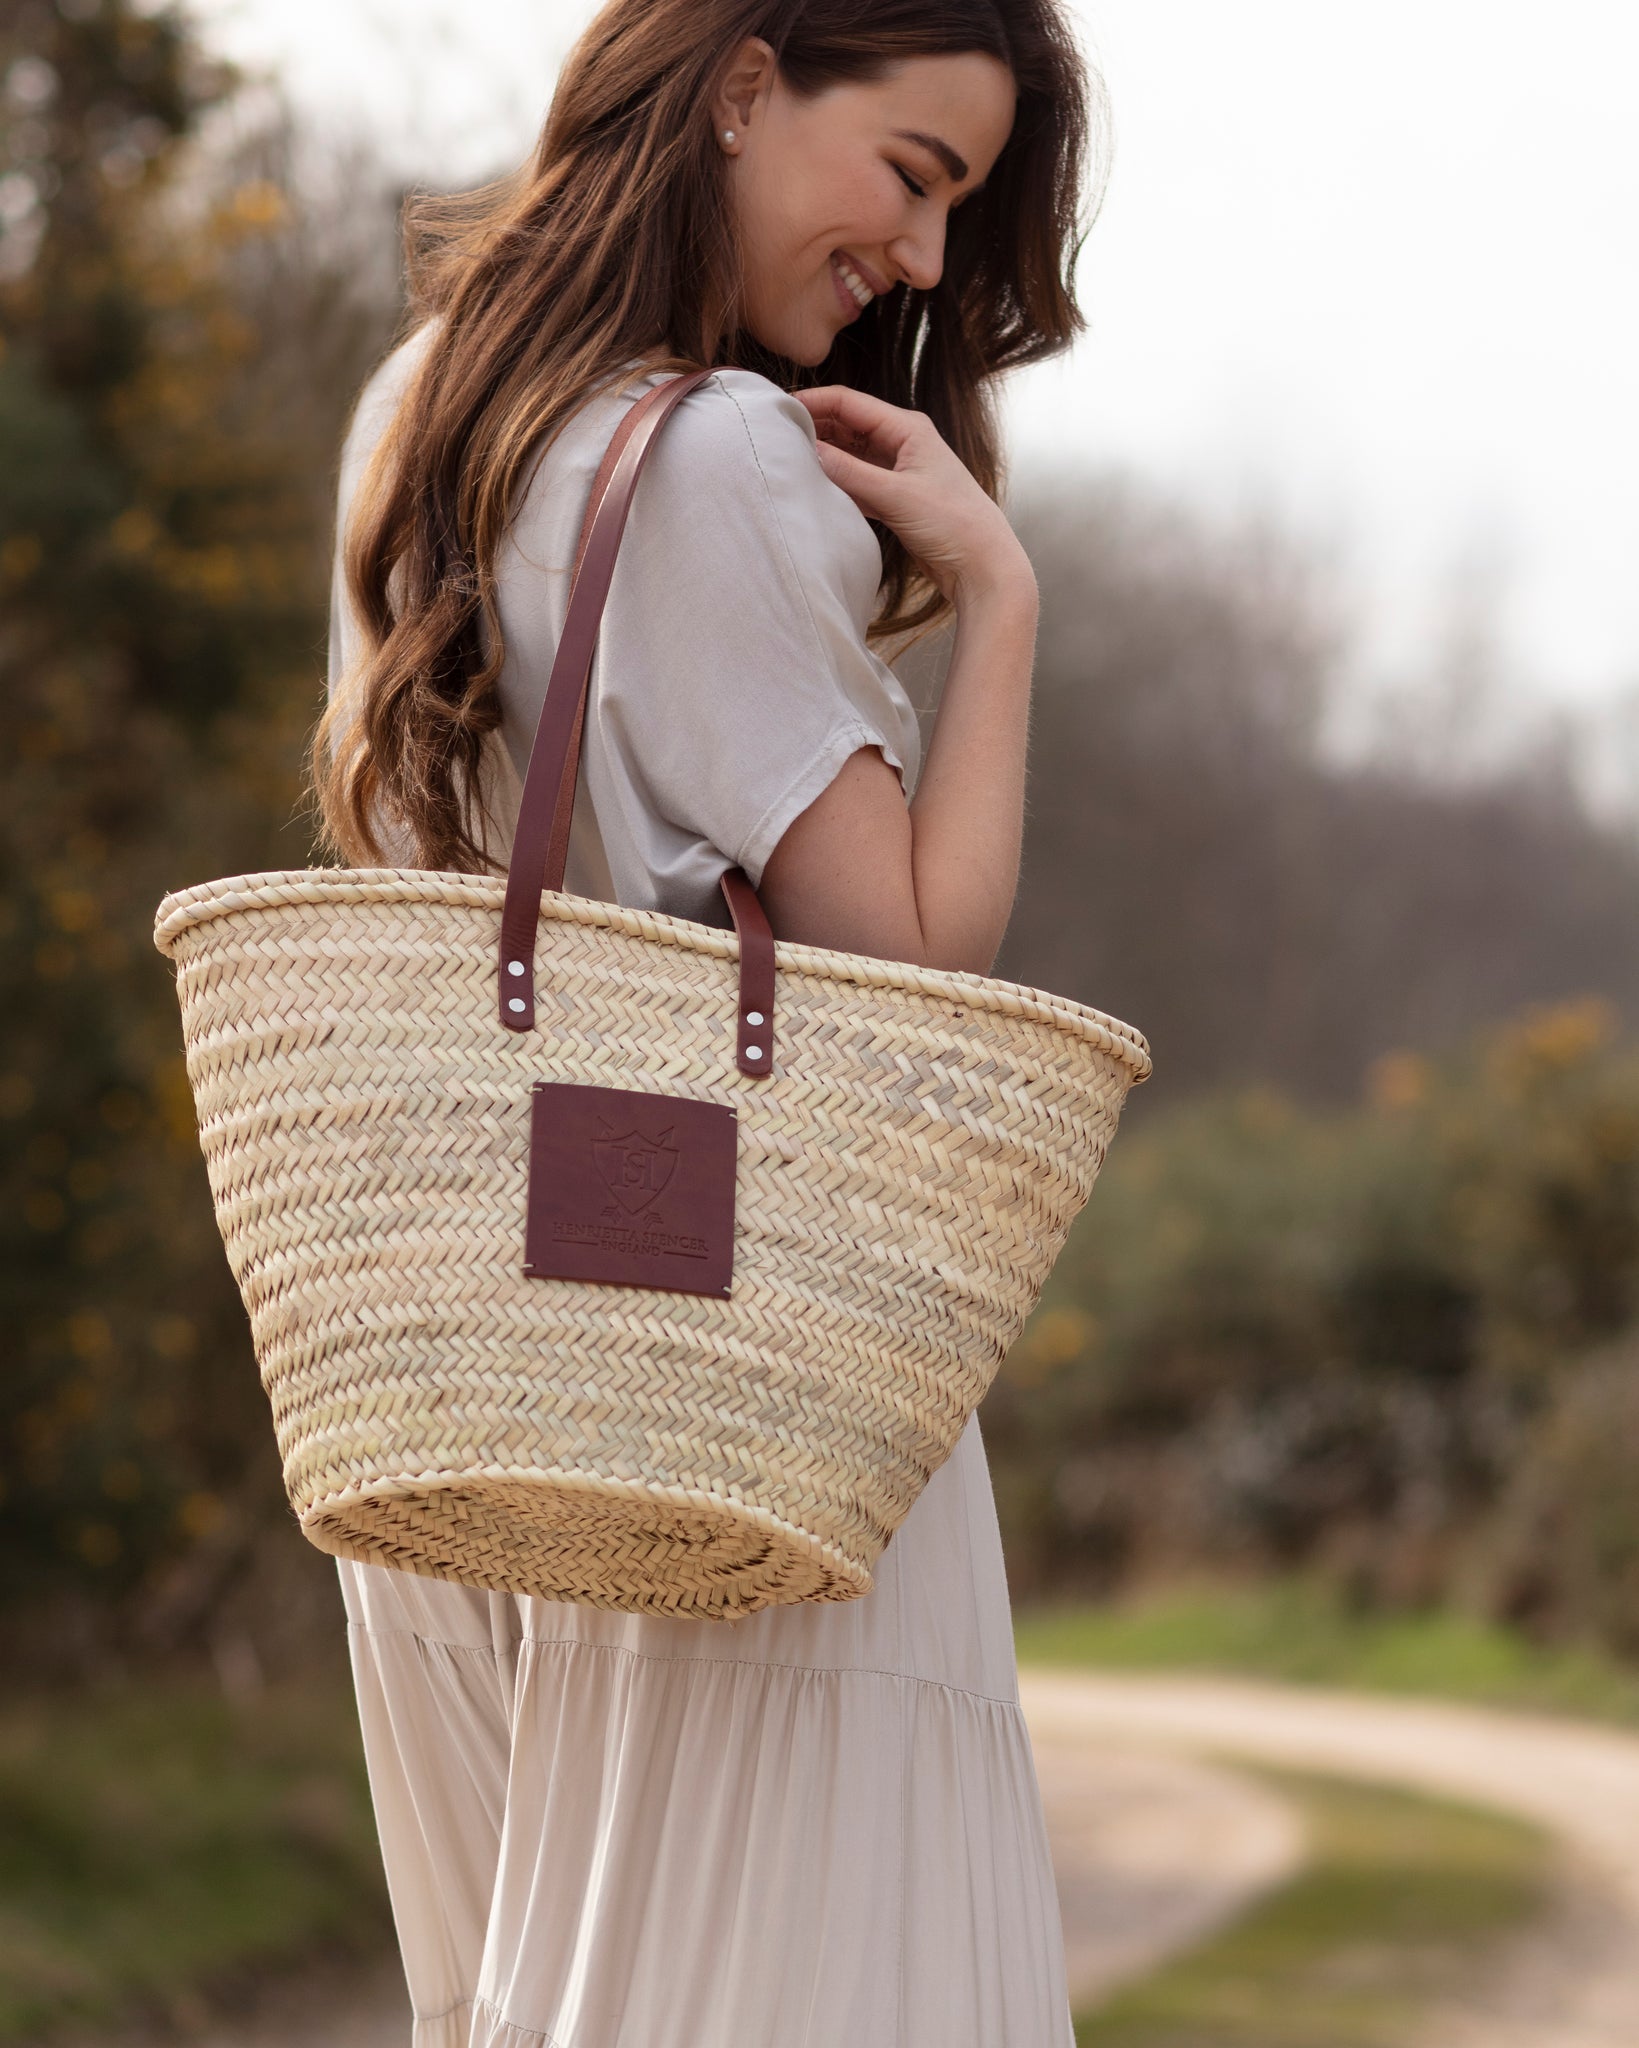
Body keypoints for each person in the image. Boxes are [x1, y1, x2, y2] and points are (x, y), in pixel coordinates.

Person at [312, 3, 1102, 2041]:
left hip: (468, 1374)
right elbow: (908, 967)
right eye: (916, 176)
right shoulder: (718, 453)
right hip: (738, 1382)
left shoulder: (414, 414)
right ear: (744, 84)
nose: (926, 262)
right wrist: (999, 596)